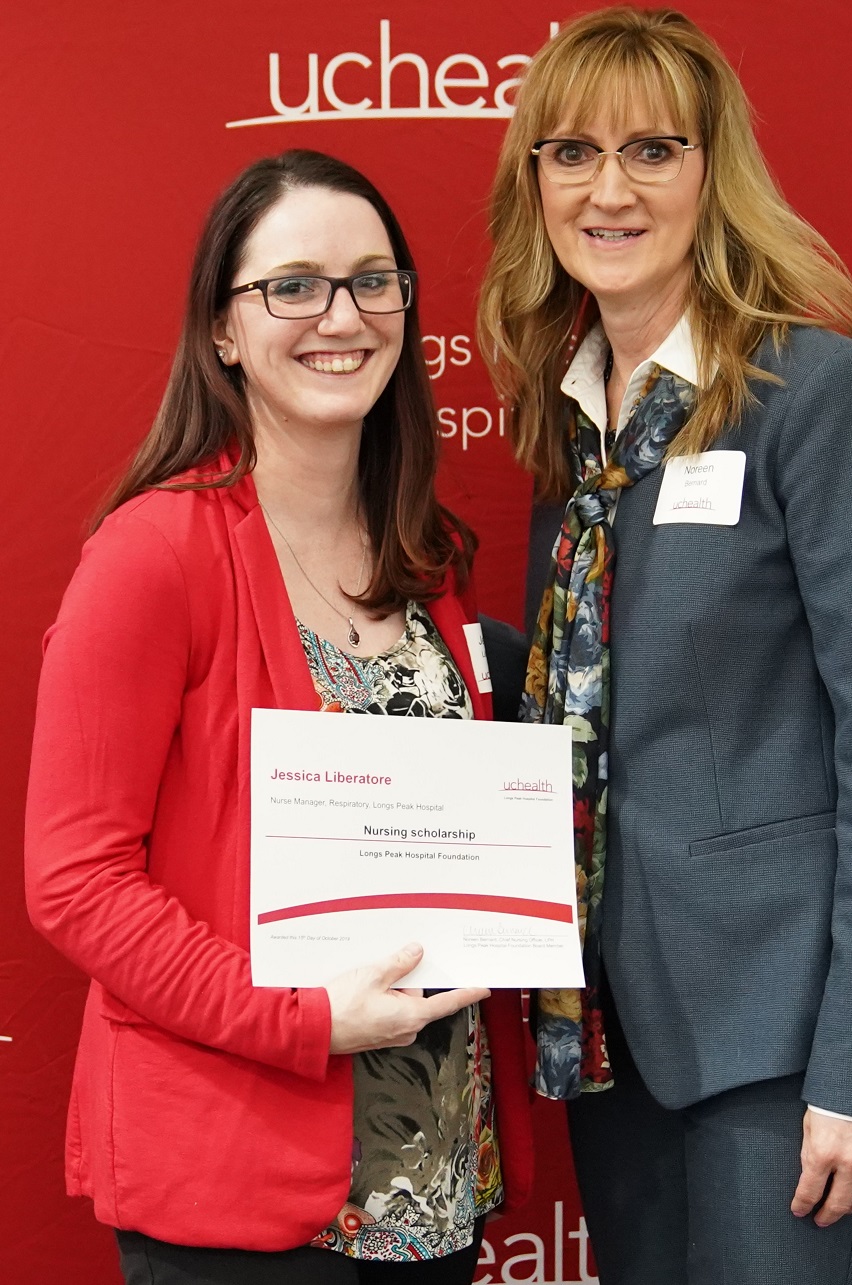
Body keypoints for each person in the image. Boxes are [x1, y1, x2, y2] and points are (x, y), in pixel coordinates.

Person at [24, 149, 532, 1285]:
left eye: (370, 280)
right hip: (240, 1180)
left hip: (432, 1172)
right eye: (292, 285)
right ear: (222, 329)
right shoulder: (153, 558)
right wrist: (296, 1014)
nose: (338, 315)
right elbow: (75, 876)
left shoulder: (427, 559)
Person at [478, 7, 852, 1283]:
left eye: (651, 151)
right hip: (613, 1033)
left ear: (710, 172)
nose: (606, 190)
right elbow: (596, 695)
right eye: (569, 153)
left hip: (784, 1048)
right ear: (535, 185)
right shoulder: (575, 422)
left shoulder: (823, 399)